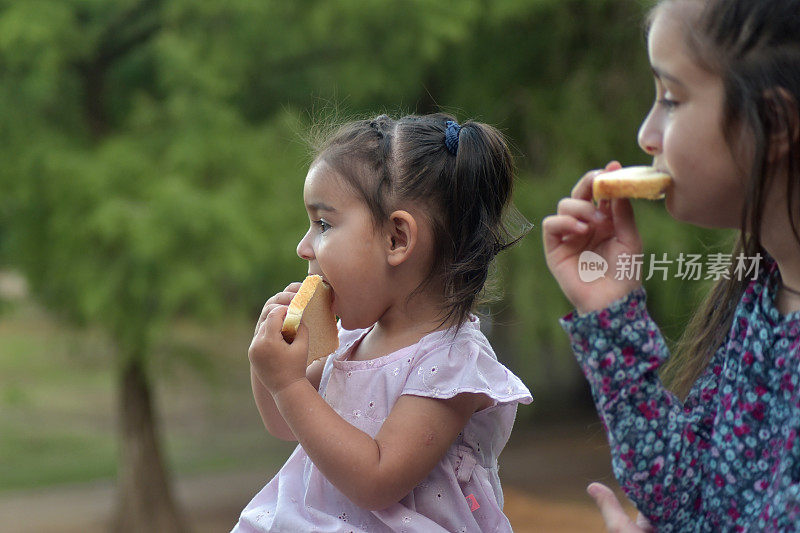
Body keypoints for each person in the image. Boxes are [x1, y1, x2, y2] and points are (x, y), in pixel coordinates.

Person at [543, 0, 800, 530]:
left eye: (671, 99)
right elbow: (684, 496)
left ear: (774, 123)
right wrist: (612, 314)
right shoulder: (760, 294)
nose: (646, 134)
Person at [233, 113, 532, 532]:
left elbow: (376, 481)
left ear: (397, 239)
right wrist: (268, 366)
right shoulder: (354, 339)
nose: (303, 247)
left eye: (323, 224)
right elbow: (285, 423)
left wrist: (288, 384)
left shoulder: (450, 362)